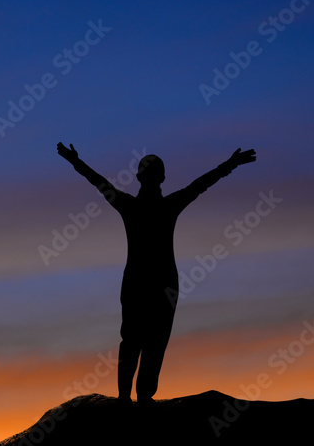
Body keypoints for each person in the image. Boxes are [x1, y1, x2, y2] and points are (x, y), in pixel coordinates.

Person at [57, 142, 256, 402]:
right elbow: (199, 185)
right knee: (140, 342)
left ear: (147, 177)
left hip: (153, 284)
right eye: (149, 174)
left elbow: (100, 183)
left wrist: (75, 161)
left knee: (146, 342)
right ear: (155, 178)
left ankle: (134, 399)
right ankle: (130, 399)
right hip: (153, 284)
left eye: (151, 174)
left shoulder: (136, 205)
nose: (150, 179)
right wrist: (229, 165)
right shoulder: (156, 205)